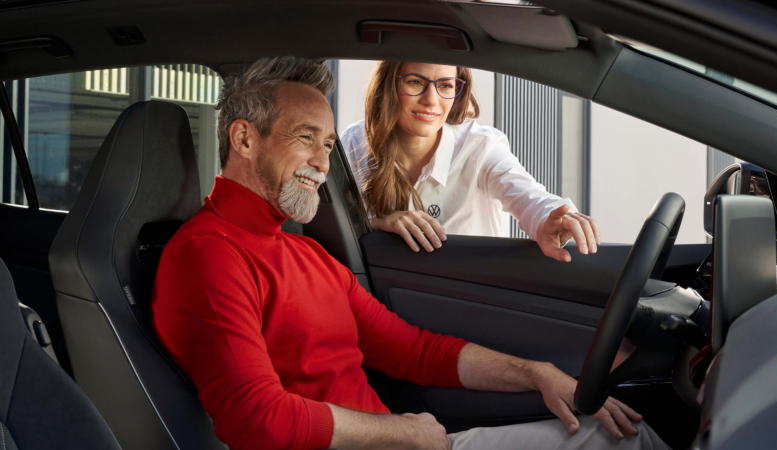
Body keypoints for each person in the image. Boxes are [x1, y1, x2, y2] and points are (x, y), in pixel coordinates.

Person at [151, 56, 669, 450]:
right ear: (244, 138)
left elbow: (414, 351)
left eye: (328, 145)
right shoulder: (207, 254)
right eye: (305, 138)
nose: (322, 159)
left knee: (625, 437)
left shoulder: (302, 253)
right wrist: (401, 432)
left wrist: (538, 374)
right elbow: (254, 420)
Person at [341, 62, 600, 262]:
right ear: (388, 86)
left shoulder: (480, 146)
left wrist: (547, 218)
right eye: (414, 82)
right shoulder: (355, 141)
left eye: (445, 86)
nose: (431, 100)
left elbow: (527, 194)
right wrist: (376, 223)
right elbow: (334, 227)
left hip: (469, 299)